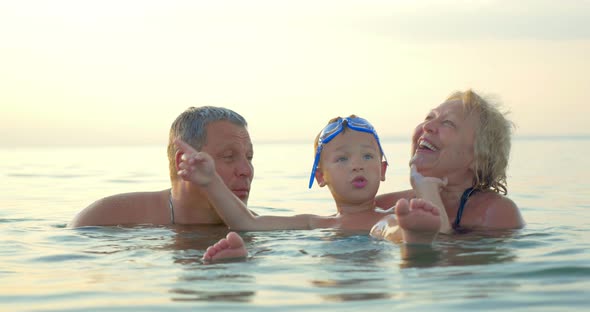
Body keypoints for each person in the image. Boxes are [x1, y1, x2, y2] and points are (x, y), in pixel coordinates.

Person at [175, 115, 444, 262]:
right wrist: (210, 181)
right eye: (342, 159)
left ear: (383, 170)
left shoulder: (390, 216)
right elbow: (247, 223)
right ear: (320, 176)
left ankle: (413, 238)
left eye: (367, 157)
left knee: (389, 224)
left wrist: (408, 225)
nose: (357, 166)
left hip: (390, 234)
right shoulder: (315, 224)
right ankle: (237, 267)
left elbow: (391, 225)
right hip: (332, 269)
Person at [68, 106, 255, 227]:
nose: (246, 170)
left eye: (249, 157)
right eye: (229, 157)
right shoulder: (107, 217)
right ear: (183, 161)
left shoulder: (255, 228)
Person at [375, 89, 525, 233]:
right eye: (429, 117)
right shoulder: (382, 206)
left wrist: (429, 194)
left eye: (447, 123)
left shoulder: (496, 213)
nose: (427, 126)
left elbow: (438, 255)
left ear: (479, 158)